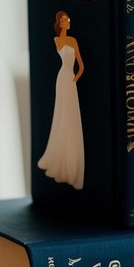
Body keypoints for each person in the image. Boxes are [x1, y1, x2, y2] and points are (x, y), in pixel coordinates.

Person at [37, 10, 85, 190]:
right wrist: (69, 79)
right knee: (61, 114)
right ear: (60, 23)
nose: (68, 22)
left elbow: (81, 65)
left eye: (68, 19)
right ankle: (59, 157)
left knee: (71, 116)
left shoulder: (73, 41)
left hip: (70, 79)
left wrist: (75, 79)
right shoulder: (57, 41)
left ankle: (70, 162)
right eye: (64, 20)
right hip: (62, 79)